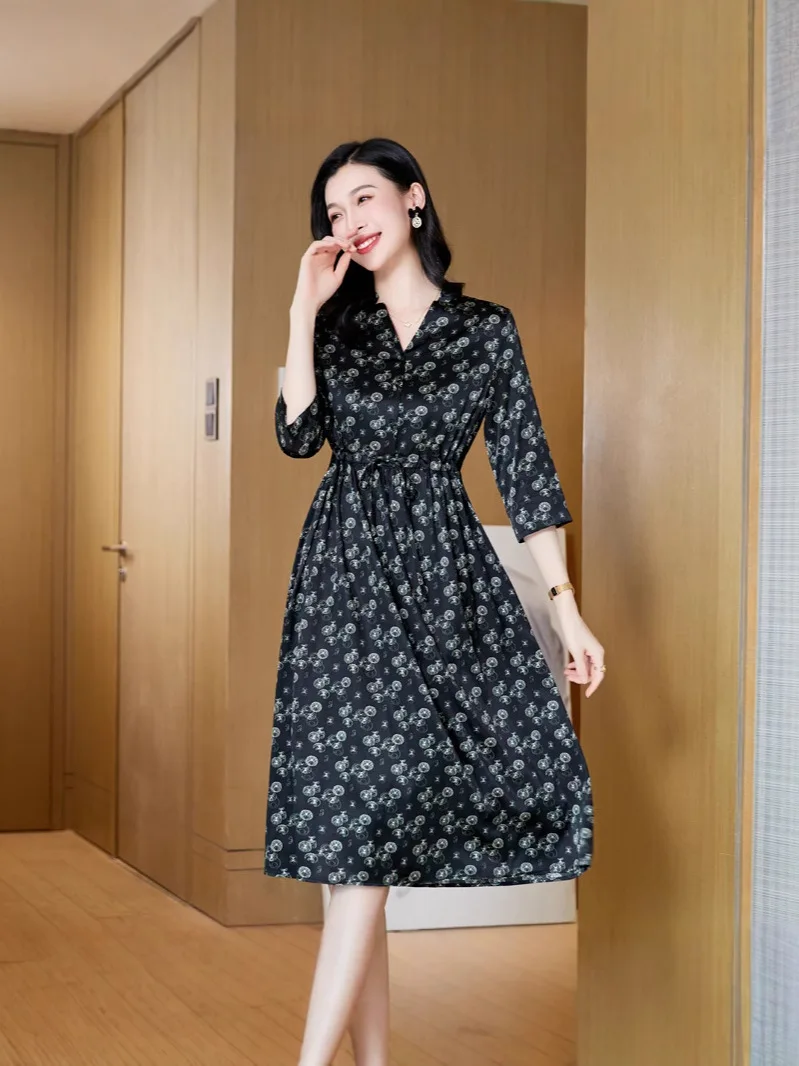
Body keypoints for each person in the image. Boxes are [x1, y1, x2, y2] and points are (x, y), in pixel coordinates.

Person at [265, 137, 604, 1066]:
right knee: (354, 859)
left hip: (440, 589)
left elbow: (525, 472)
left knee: (368, 846)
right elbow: (296, 437)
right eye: (333, 213)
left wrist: (566, 608)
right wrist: (301, 311)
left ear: (413, 200)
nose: (349, 222)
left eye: (364, 199)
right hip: (341, 591)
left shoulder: (485, 330)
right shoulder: (335, 328)